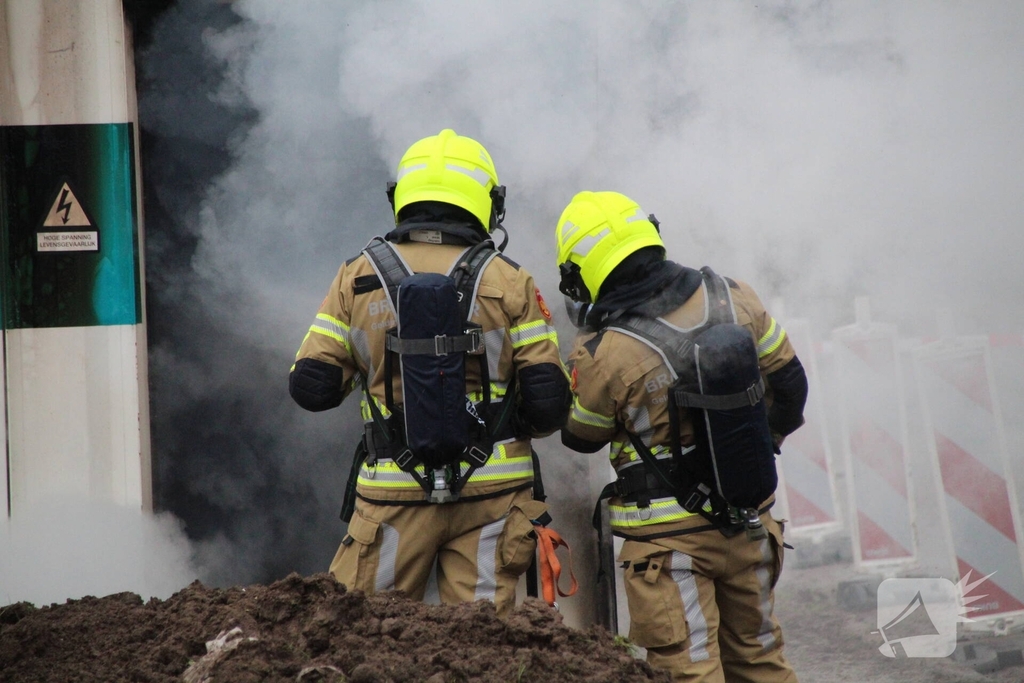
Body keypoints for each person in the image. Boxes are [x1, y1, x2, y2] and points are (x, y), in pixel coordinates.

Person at [290, 129, 570, 618]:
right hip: (493, 498)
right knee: (487, 649)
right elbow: (548, 406)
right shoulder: (510, 279)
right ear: (487, 202)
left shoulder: (356, 277)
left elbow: (312, 387)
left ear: (401, 198)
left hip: (391, 498)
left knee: (364, 641)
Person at [555, 190, 807, 682]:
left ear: (582, 274)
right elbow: (791, 385)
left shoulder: (605, 351)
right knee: (761, 662)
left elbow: (581, 437)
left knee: (688, 672)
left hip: (669, 552)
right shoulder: (734, 296)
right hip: (751, 521)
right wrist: (759, 444)